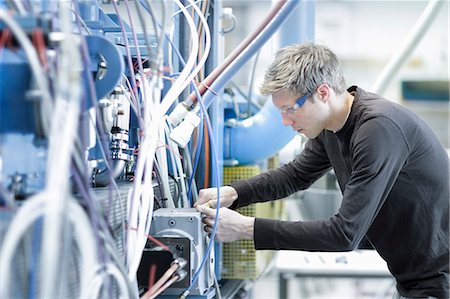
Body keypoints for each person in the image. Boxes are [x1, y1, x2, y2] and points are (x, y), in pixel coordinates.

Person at [195, 43, 449, 298]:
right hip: (416, 276)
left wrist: (245, 228)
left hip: (440, 279)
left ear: (323, 92)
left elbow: (344, 233)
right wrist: (233, 193)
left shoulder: (378, 129)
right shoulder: (331, 128)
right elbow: (296, 175)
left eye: (290, 109)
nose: (285, 121)